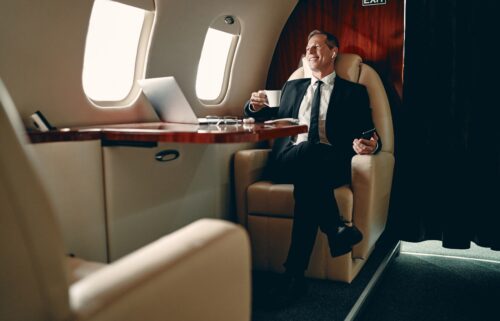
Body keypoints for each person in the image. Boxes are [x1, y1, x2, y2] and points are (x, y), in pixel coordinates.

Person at [244, 30, 381, 306]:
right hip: (288, 160)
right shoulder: (292, 88)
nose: (310, 52)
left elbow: (371, 134)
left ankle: (294, 276)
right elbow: (264, 114)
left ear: (333, 51)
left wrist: (371, 145)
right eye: (307, 48)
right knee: (307, 154)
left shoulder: (353, 92)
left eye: (317, 47)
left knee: (309, 182)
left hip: (331, 164)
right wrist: (253, 105)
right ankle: (334, 230)